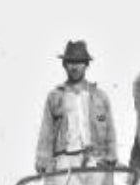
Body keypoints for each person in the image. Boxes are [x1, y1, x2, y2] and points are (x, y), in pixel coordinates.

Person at [35, 40, 117, 173]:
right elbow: (47, 130)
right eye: (71, 62)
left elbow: (110, 130)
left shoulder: (100, 97)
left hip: (95, 159)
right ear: (64, 65)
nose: (74, 67)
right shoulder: (55, 96)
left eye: (79, 62)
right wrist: (43, 159)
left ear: (86, 65)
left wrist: (111, 155)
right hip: (65, 160)